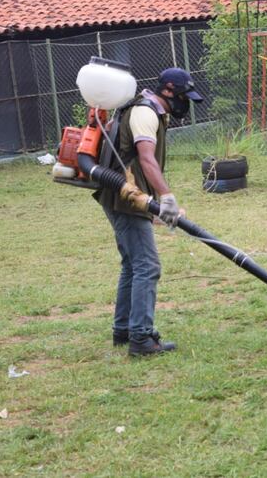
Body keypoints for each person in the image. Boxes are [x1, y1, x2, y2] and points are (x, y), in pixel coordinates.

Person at [96, 67, 203, 356]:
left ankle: (124, 330)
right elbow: (145, 158)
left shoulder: (147, 109)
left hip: (123, 194)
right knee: (147, 265)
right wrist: (166, 198)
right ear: (168, 90)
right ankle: (141, 339)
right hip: (127, 195)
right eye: (183, 96)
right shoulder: (146, 112)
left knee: (132, 264)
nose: (185, 103)